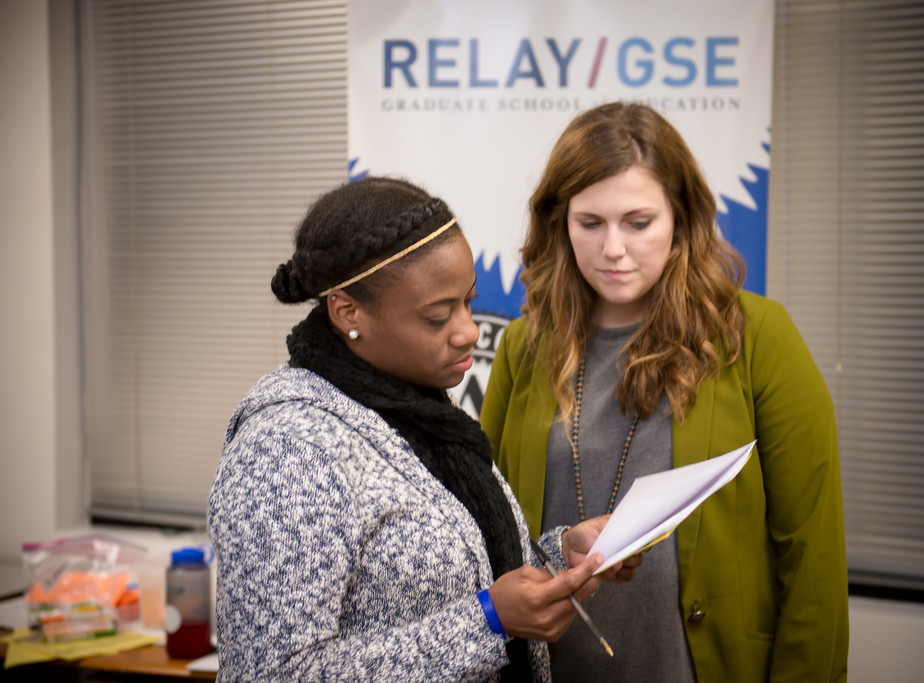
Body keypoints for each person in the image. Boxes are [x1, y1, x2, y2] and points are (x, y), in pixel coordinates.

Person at [208, 176, 639, 682]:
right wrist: (488, 622)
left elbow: (453, 575)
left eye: (468, 303)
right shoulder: (288, 449)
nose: (469, 331)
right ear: (348, 312)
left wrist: (562, 555)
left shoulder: (416, 407)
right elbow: (273, 676)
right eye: (438, 317)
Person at [480, 102, 849, 682]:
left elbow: (812, 555)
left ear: (681, 217)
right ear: (560, 222)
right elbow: (488, 527)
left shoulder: (757, 337)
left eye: (638, 222)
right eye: (590, 223)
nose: (613, 249)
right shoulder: (523, 346)